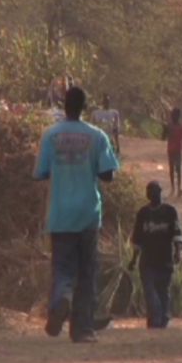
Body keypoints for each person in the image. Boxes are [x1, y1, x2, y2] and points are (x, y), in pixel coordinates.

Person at [34, 86, 120, 344]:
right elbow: (108, 175)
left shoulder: (50, 136)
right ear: (85, 107)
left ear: (63, 105)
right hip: (87, 213)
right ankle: (82, 329)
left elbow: (40, 172)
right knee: (86, 270)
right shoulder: (97, 136)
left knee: (62, 267)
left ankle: (61, 299)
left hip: (60, 213)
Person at [127, 181, 182, 329]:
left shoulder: (170, 211)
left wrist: (178, 252)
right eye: (150, 191)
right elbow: (137, 239)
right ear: (147, 194)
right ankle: (156, 318)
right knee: (150, 292)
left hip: (165, 259)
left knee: (163, 291)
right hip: (147, 261)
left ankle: (161, 318)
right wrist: (133, 260)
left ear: (161, 192)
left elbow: (177, 234)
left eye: (155, 191)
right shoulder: (143, 213)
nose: (153, 194)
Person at [162, 108, 182, 198]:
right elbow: (163, 138)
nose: (174, 117)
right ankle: (174, 188)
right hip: (171, 150)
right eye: (173, 115)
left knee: (178, 170)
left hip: (177, 151)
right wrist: (164, 130)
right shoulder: (169, 126)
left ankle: (178, 188)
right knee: (172, 170)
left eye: (175, 115)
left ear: (178, 116)